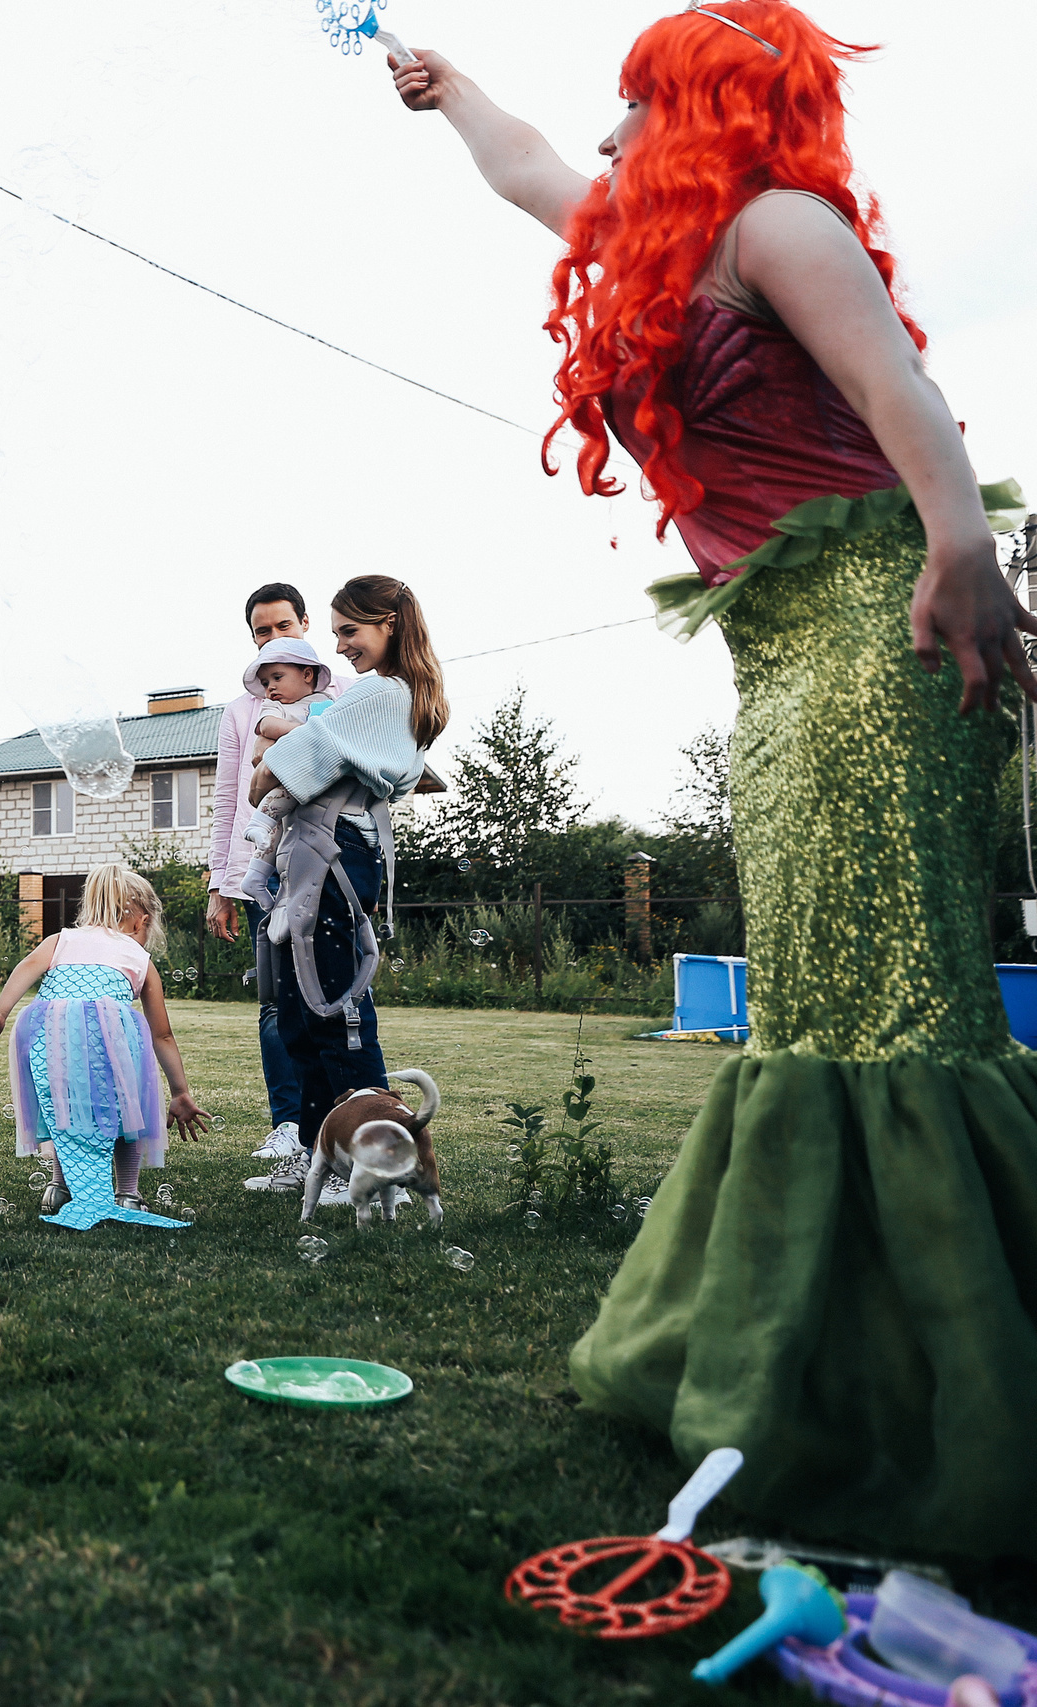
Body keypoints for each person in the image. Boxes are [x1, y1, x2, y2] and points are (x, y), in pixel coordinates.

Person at [393, 2, 1037, 1555]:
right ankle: (828, 1379)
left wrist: (964, 548)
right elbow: (530, 167)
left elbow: (907, 398)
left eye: (632, 106)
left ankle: (926, 1406)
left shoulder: (780, 224)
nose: (606, 138)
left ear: (704, 110)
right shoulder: (663, 243)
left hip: (883, 637)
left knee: (888, 1009)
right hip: (784, 663)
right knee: (825, 1005)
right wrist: (448, 89)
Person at [248, 576, 447, 1168]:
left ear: (390, 622)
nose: (339, 648)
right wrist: (286, 757)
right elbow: (303, 752)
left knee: (335, 1012)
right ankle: (319, 1157)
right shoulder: (375, 693)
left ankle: (367, 1158)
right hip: (314, 857)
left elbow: (287, 764)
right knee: (301, 1017)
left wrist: (276, 763)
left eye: (349, 632)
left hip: (335, 857)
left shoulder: (384, 693)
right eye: (336, 634)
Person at [0, 863, 210, 1230]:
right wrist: (180, 1091)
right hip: (112, 1034)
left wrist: (0, 1011)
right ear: (141, 921)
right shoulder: (139, 958)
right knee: (128, 1109)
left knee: (64, 1106)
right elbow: (162, 1035)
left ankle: (59, 1188)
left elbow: (27, 967)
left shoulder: (60, 939)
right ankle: (127, 1193)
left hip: (50, 1033)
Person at [209, 583, 337, 1178]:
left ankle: (334, 1125)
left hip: (325, 862)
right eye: (262, 632)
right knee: (274, 1003)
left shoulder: (340, 697)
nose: (272, 639)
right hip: (264, 869)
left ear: (306, 625)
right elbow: (229, 799)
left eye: (283, 626)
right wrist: (223, 883)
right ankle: (289, 1125)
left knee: (331, 996)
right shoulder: (240, 710)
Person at [235, 638, 337, 920]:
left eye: (277, 678)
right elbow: (266, 726)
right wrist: (305, 733)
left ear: (307, 674)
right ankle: (257, 822)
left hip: (315, 796)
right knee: (277, 809)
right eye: (266, 682)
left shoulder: (327, 703)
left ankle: (255, 877)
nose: (271, 688)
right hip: (290, 776)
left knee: (276, 838)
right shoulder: (275, 707)